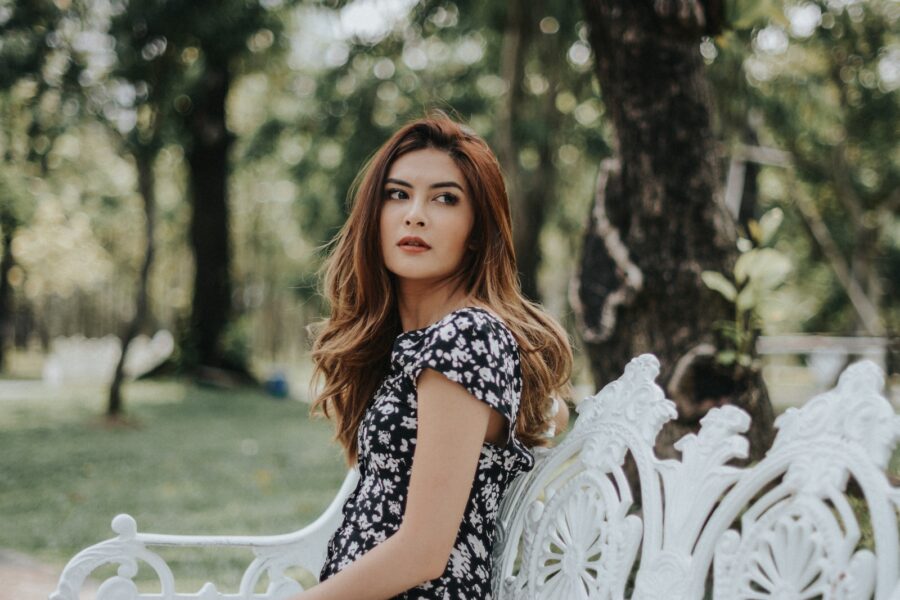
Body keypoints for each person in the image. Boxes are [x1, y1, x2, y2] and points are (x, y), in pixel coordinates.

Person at [295, 110, 573, 600]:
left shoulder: (466, 336)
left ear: (477, 232)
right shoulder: (419, 346)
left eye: (445, 199)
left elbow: (423, 552)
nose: (415, 214)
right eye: (397, 194)